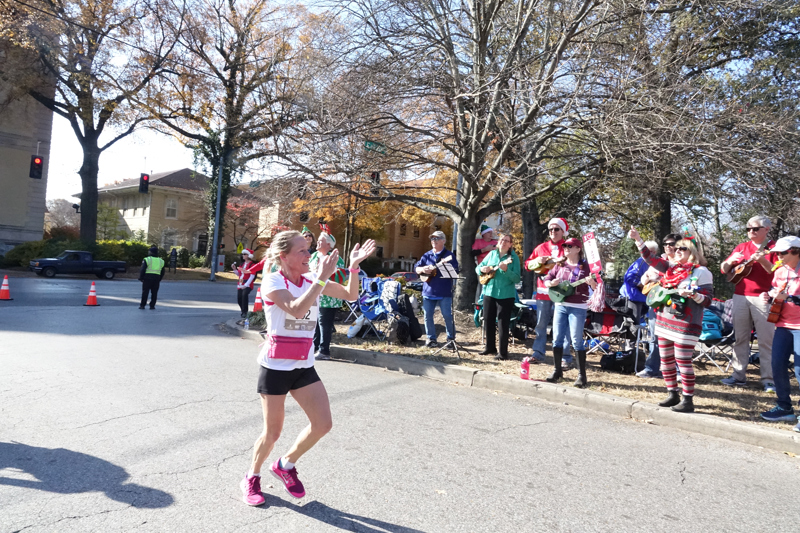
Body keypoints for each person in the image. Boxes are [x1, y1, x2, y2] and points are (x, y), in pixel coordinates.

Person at [240, 230, 375, 507]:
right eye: (302, 251)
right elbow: (296, 309)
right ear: (284, 256)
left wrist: (353, 267)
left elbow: (350, 294)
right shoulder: (272, 281)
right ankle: (251, 477)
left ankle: (285, 465)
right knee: (272, 433)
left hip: (303, 365)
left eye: (309, 250)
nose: (308, 255)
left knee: (323, 424)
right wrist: (322, 278)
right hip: (276, 367)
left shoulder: (313, 279)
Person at [629, 226, 713, 413]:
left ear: (692, 252)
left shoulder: (701, 272)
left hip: (686, 323)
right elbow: (650, 258)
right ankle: (672, 393)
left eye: (681, 248)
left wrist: (694, 296)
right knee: (666, 360)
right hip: (664, 320)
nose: (676, 252)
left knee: (683, 361)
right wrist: (638, 238)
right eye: (675, 249)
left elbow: (708, 300)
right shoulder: (670, 268)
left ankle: (688, 399)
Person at [719, 215, 778, 391]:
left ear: (766, 230)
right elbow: (724, 270)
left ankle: (768, 379)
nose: (750, 232)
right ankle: (738, 376)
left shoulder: (774, 248)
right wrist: (729, 262)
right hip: (740, 296)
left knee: (766, 340)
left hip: (764, 297)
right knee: (740, 338)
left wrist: (762, 260)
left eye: (755, 229)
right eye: (748, 229)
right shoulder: (742, 247)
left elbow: (776, 272)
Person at [541, 237, 597, 387]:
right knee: (557, 339)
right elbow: (547, 278)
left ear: (578, 249)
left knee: (576, 340)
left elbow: (597, 286)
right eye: (565, 245)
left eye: (570, 246)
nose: (566, 248)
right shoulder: (560, 264)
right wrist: (550, 283)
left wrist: (592, 282)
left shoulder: (586, 266)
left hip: (578, 307)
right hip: (560, 305)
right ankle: (557, 370)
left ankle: (581, 375)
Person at [759, 236, 800, 432]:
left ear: (795, 251)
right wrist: (768, 296)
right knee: (777, 365)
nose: (778, 256)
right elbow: (775, 290)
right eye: (777, 253)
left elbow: (790, 297)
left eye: (782, 253)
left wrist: (791, 297)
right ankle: (784, 407)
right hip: (783, 324)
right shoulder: (780, 271)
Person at [524, 218, 573, 366]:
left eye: (556, 229)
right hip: (543, 291)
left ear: (563, 231)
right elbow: (527, 265)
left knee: (563, 325)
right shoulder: (541, 247)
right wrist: (539, 261)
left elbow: (577, 265)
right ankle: (538, 353)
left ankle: (565, 356)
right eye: (550, 229)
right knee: (540, 324)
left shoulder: (568, 247)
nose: (552, 232)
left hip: (561, 292)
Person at [636, 234, 683, 378]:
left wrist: (658, 276)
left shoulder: (683, 262)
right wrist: (651, 277)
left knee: (675, 336)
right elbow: (644, 279)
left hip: (674, 303)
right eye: (666, 244)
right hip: (656, 303)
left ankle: (677, 370)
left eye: (672, 243)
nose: (668, 246)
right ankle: (652, 369)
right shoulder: (659, 260)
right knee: (654, 337)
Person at [476, 232, 521, 360]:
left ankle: (502, 352)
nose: (504, 242)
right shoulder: (491, 254)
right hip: (489, 292)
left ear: (511, 244)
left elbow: (517, 278)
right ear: (498, 242)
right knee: (488, 320)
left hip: (506, 295)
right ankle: (490, 347)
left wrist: (506, 270)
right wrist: (482, 269)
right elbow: (478, 267)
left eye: (507, 240)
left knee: (503, 323)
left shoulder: (514, 258)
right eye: (502, 239)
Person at [415, 230, 459, 348]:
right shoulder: (426, 255)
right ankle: (431, 339)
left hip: (444, 291)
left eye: (436, 239)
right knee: (427, 316)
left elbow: (455, 271)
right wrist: (423, 269)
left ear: (443, 241)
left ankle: (450, 339)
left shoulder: (449, 255)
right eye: (432, 239)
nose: (433, 241)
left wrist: (444, 265)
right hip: (428, 291)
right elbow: (417, 268)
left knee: (447, 316)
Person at [309, 232, 346, 360]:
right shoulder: (313, 256)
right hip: (314, 295)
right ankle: (314, 347)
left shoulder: (335, 258)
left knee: (324, 323)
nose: (317, 242)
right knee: (315, 322)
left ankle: (324, 351)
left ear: (329, 244)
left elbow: (340, 278)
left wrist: (324, 274)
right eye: (318, 240)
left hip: (329, 297)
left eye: (321, 240)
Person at [472, 224, 499, 302]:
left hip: (495, 269)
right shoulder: (478, 242)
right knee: (482, 287)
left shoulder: (495, 242)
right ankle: (479, 304)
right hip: (483, 270)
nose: (491, 234)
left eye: (491, 232)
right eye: (488, 232)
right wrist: (485, 249)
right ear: (483, 234)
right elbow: (472, 253)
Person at [233, 249, 262, 319]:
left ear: (248, 256)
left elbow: (252, 276)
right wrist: (234, 269)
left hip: (248, 284)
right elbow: (238, 274)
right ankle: (243, 311)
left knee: (244, 296)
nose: (242, 256)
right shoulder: (242, 264)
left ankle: (245, 312)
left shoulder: (252, 264)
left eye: (244, 254)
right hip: (240, 283)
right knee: (239, 299)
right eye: (243, 254)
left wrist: (246, 285)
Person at [138, 245, 165, 310]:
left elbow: (143, 269)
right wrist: (160, 278)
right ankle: (152, 306)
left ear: (151, 252)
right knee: (154, 293)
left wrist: (141, 277)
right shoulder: (161, 261)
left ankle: (142, 305)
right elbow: (163, 271)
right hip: (156, 278)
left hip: (147, 277)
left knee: (145, 292)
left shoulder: (147, 259)